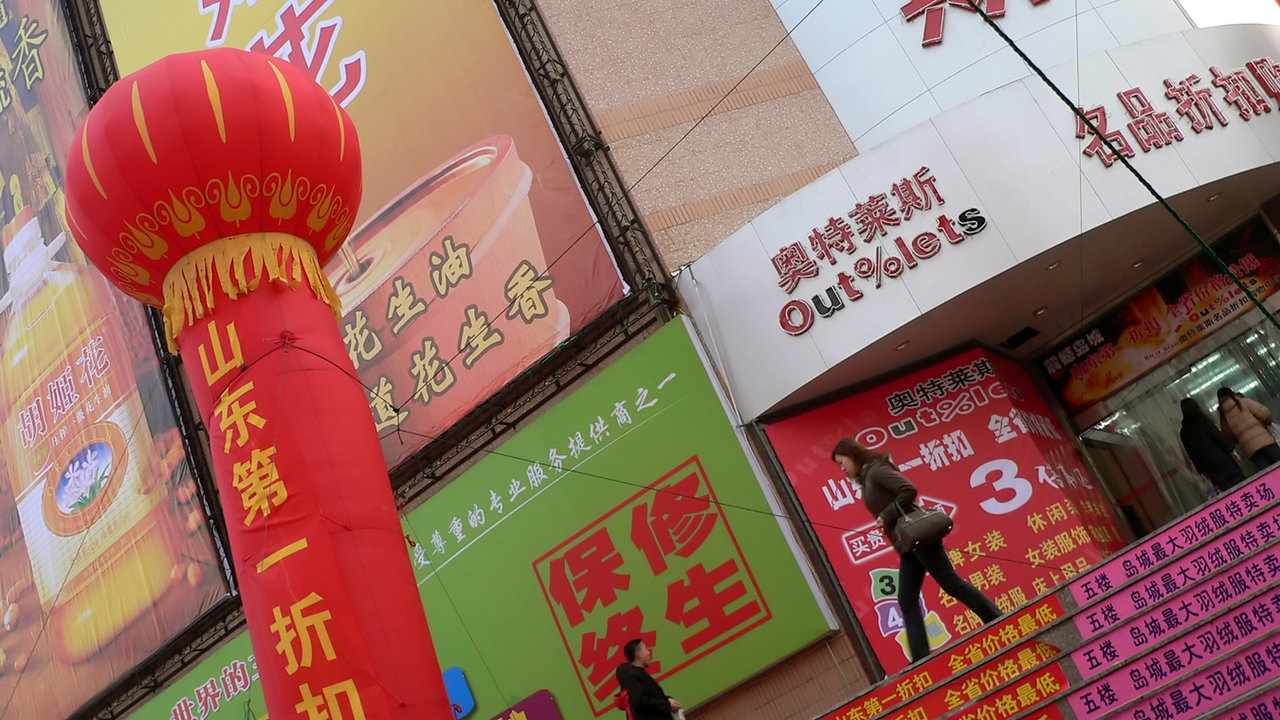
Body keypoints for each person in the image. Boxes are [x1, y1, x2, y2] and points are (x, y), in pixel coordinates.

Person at [831, 437, 1001, 663]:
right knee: (907, 598)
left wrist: (886, 515)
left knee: (950, 583)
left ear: (852, 455)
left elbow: (908, 489)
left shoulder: (876, 471)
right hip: (908, 544)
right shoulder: (867, 477)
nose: (842, 469)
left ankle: (996, 618)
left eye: (842, 462)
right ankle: (921, 659)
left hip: (918, 536)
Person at [1179, 397, 1245, 492]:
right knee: (1241, 483)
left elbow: (1191, 454)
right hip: (1222, 458)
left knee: (1228, 489)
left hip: (1209, 466)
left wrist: (1201, 470)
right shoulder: (1203, 421)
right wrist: (1231, 450)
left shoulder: (1184, 432)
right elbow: (1218, 437)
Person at [616, 639, 683, 720]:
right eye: (646, 649)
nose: (649, 652)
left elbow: (652, 697)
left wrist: (668, 700)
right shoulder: (632, 676)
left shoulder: (637, 674)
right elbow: (641, 701)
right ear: (638, 654)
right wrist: (667, 705)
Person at [1217, 386, 1280, 470]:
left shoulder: (1223, 416)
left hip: (1250, 450)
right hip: (1265, 441)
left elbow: (1229, 436)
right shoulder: (1243, 402)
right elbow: (1265, 413)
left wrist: (1242, 439)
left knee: (1269, 473)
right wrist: (1264, 423)